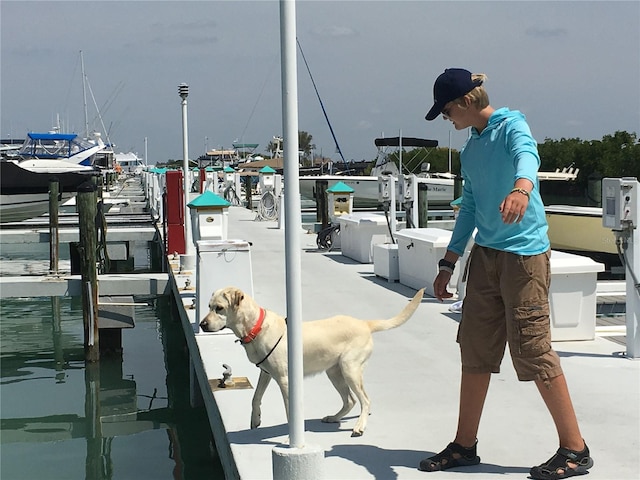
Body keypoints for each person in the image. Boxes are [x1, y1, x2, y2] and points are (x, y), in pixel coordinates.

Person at [420, 68, 593, 480]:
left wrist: (521, 188)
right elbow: (469, 206)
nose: (447, 120)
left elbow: (527, 158)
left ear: (465, 102)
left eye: (446, 112)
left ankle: (576, 449)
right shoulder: (470, 149)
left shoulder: (512, 126)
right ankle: (464, 445)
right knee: (475, 348)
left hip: (524, 260)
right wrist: (449, 261)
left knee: (533, 350)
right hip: (486, 258)